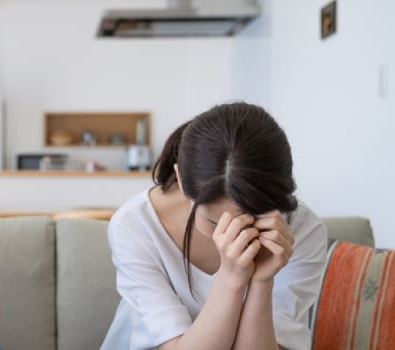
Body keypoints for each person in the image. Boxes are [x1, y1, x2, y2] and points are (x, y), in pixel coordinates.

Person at [100, 102, 327, 350]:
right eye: (213, 222)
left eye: (252, 221)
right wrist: (232, 277)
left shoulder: (301, 230)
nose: (232, 234)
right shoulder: (135, 226)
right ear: (181, 180)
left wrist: (262, 282)